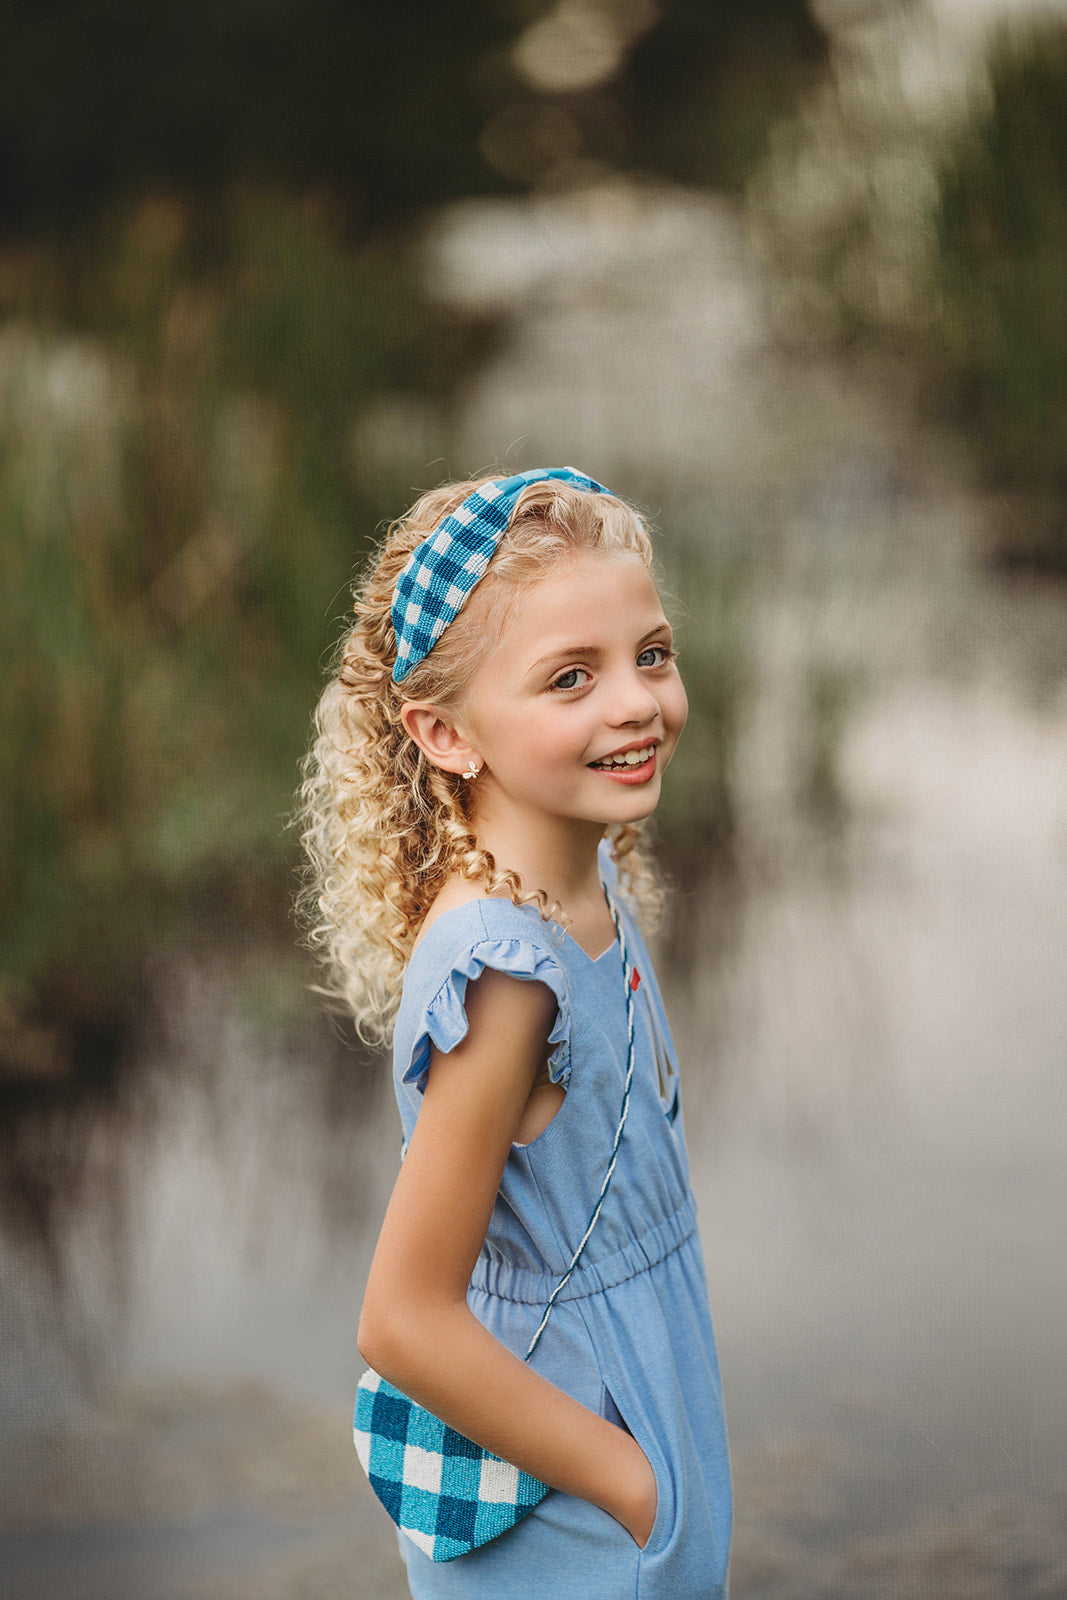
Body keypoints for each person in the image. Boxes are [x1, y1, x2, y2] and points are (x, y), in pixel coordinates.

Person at [299, 468, 732, 1597]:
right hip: (565, 1493)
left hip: (628, 1403)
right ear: (444, 732)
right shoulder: (504, 979)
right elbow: (401, 1316)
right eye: (570, 678)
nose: (635, 701)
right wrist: (634, 1488)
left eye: (651, 653)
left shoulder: (583, 877)